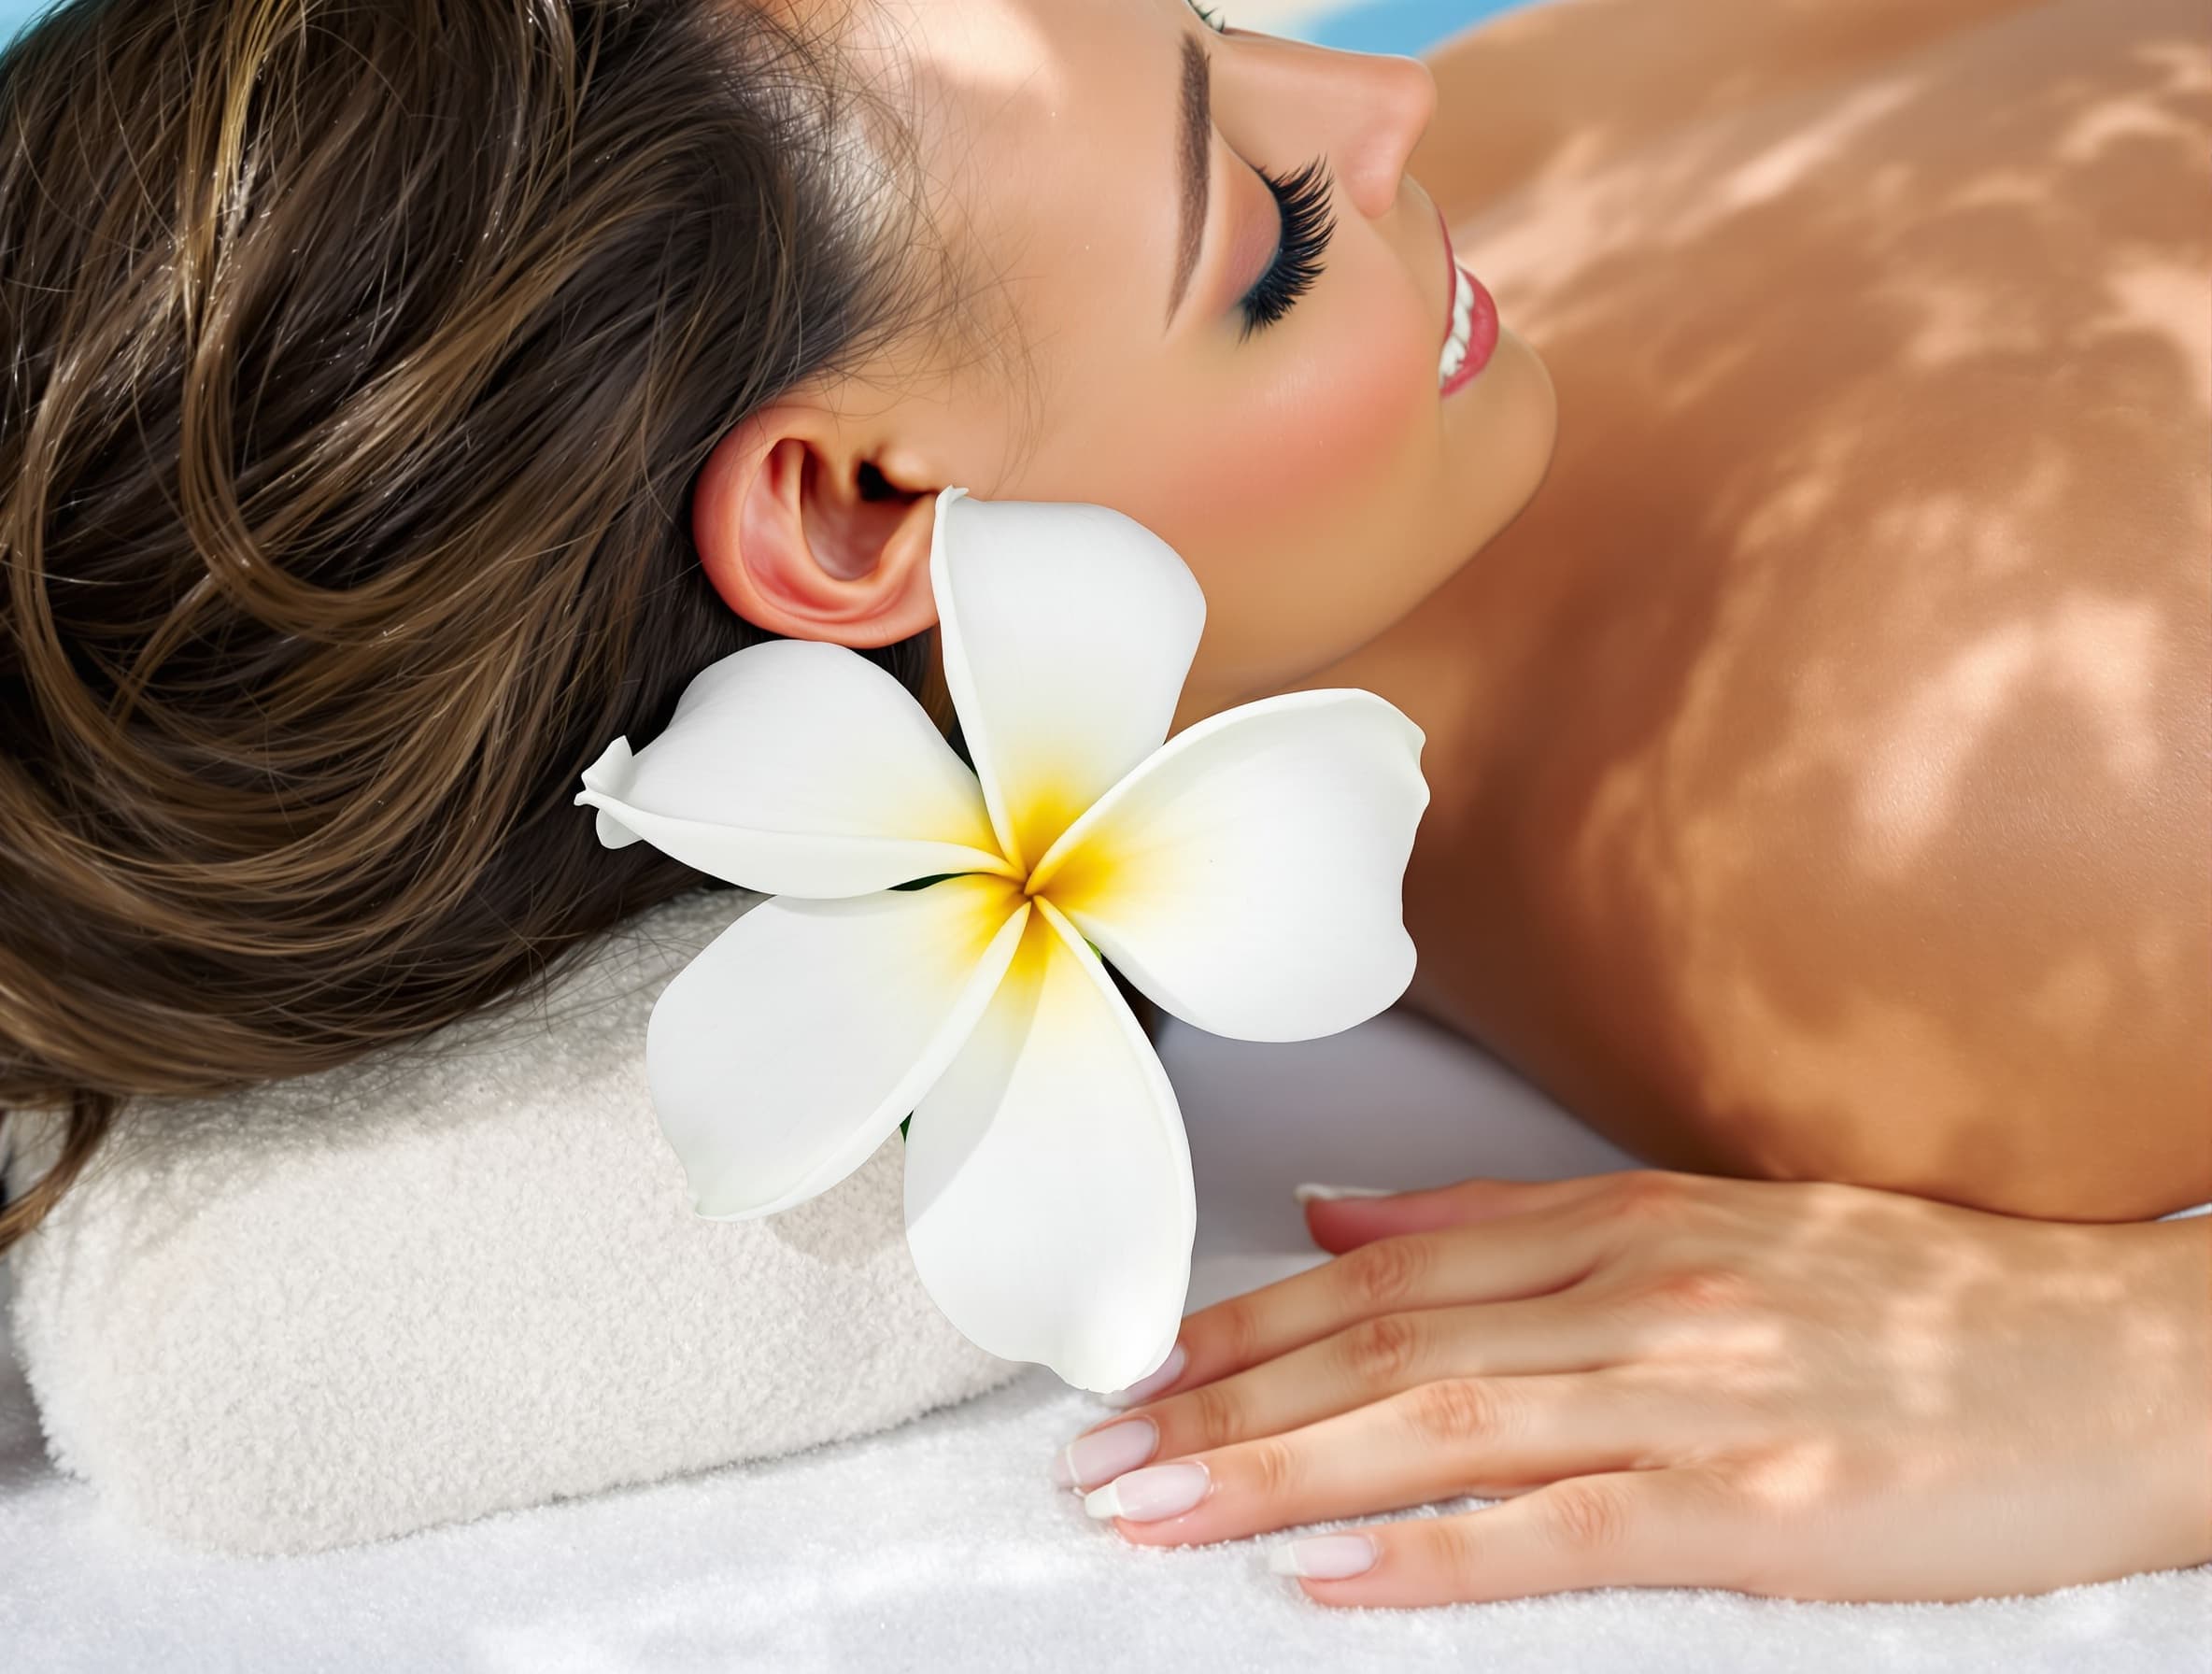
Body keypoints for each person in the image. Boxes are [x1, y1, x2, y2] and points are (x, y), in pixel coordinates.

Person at [1, 0, 2203, 1607]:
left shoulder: (1183, 206)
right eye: (1264, 231)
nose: (1386, 81)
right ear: (854, 514)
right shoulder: (1976, 842)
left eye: (1208, 21)